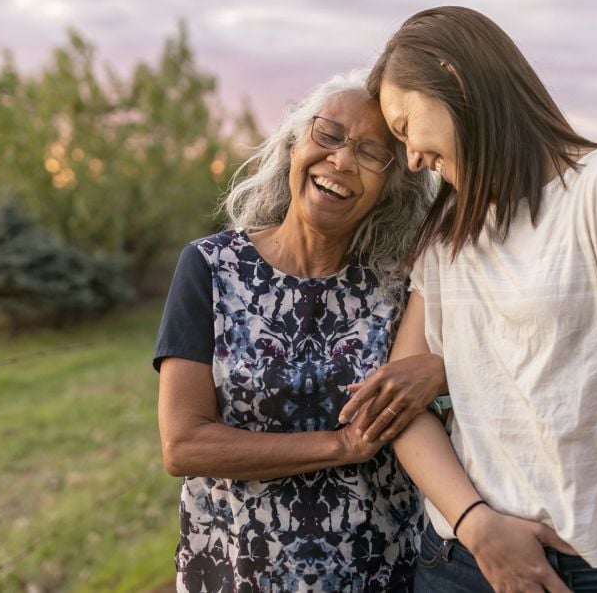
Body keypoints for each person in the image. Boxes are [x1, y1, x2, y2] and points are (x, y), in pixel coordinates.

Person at [340, 6, 597, 592]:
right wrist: (476, 525)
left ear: (455, 79)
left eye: (405, 124)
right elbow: (398, 404)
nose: (411, 157)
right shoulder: (448, 234)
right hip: (463, 563)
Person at [154, 70, 439, 592]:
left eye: (373, 154)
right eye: (328, 134)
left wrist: (439, 371)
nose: (343, 160)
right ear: (293, 144)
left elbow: (468, 367)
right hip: (238, 572)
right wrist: (339, 445)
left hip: (381, 572)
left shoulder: (406, 283)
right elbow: (184, 445)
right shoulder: (210, 268)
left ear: (393, 186)